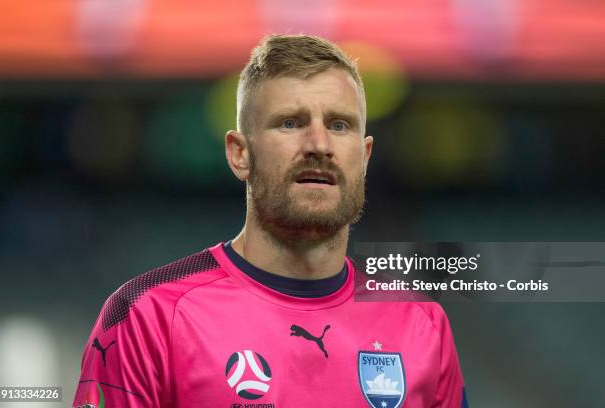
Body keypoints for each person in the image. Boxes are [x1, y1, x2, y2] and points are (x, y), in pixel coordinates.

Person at [73, 34, 468, 408]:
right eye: (290, 123)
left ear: (364, 157)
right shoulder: (148, 315)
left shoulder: (423, 324)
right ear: (239, 154)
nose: (319, 145)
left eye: (339, 125)